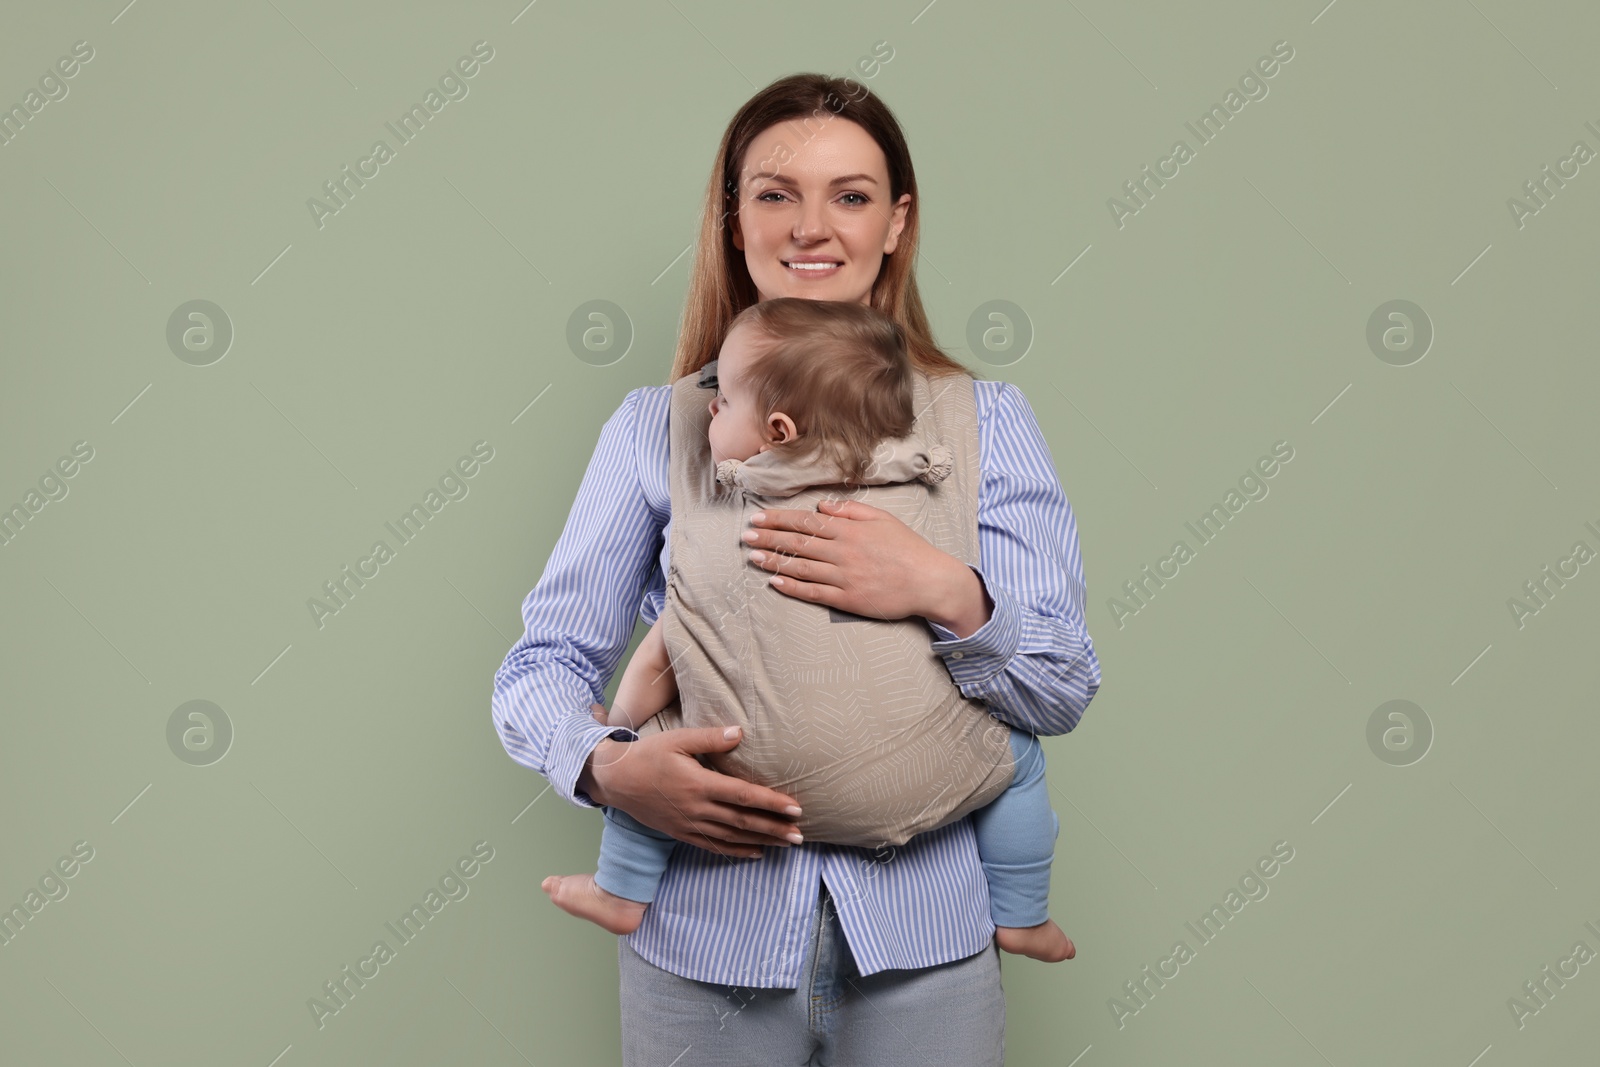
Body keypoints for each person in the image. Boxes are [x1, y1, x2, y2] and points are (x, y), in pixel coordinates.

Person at [491, 71, 1101, 1066]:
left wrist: (944, 589)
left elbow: (1064, 682)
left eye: (850, 195)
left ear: (896, 222)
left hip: (928, 948)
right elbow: (542, 664)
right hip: (699, 946)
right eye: (775, 193)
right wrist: (608, 767)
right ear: (734, 220)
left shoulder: (980, 421)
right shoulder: (662, 429)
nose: (811, 227)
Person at [540, 296, 1074, 963]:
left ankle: (620, 891)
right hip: (910, 770)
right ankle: (1023, 913)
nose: (710, 408)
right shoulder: (909, 474)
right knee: (1018, 762)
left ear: (777, 429)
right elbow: (550, 651)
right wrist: (949, 585)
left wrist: (614, 736)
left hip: (739, 764)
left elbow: (662, 656)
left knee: (653, 741)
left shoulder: (718, 531)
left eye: (725, 400)